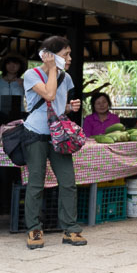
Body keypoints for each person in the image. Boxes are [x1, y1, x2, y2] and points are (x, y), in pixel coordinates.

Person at [20, 35, 85, 250]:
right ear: (49, 55)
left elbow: (57, 107)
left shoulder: (66, 78)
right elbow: (48, 94)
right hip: (35, 134)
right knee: (36, 183)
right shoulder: (31, 74)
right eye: (65, 54)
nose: (70, 58)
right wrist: (50, 70)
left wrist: (69, 108)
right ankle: (34, 229)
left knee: (68, 182)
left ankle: (70, 229)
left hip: (58, 136)